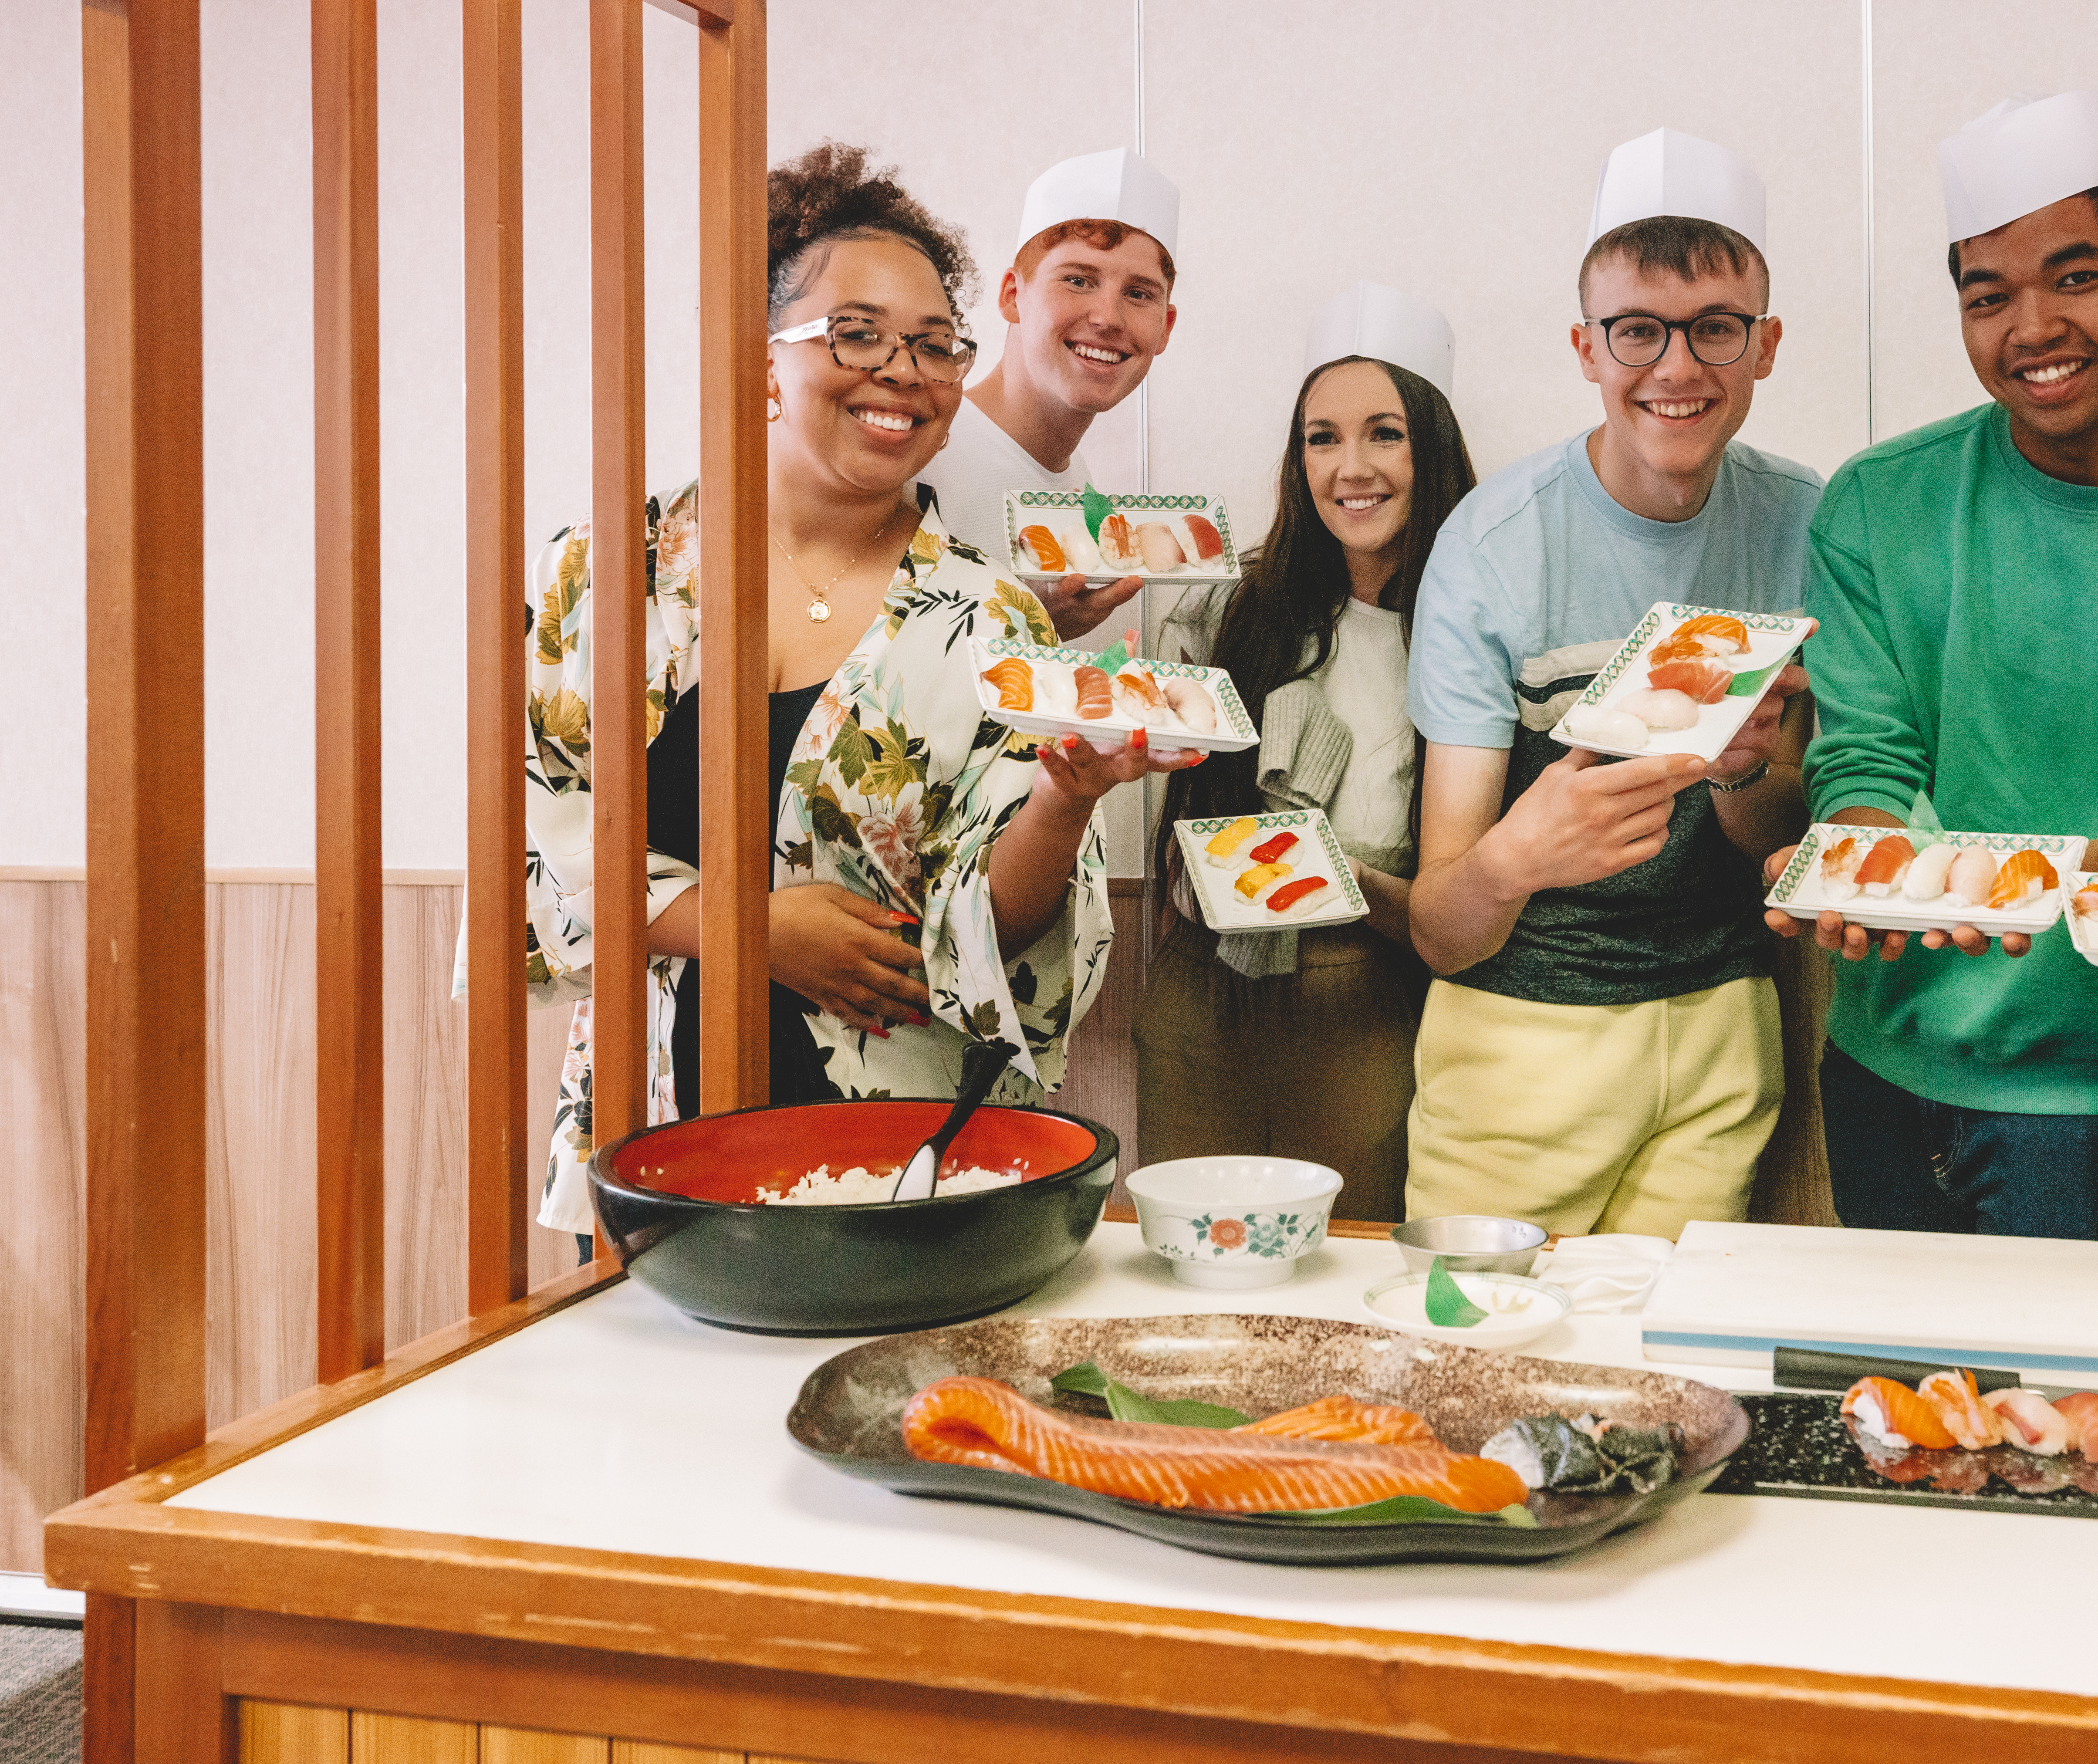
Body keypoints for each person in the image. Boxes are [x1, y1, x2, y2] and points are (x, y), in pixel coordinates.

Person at [519, 143, 1190, 1235]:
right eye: (857, 334)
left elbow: (1003, 926)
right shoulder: (604, 578)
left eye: (934, 345)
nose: (904, 371)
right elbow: (533, 845)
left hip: (906, 1159)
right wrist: (747, 929)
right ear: (760, 362)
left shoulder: (989, 618)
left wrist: (1068, 800)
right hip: (654, 1138)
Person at [1780, 90, 2098, 1240]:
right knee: (1901, 1420)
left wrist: (2032, 884)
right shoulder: (1876, 505)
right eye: (1986, 297)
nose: (2031, 327)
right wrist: (1863, 853)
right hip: (1885, 1072)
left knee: (2076, 1421)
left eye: (2075, 277)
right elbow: (1864, 746)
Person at [1404, 128, 1820, 1239]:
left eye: (1715, 330)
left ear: (1765, 344)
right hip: (1520, 1045)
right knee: (1470, 1370)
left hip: (1725, 1031)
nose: (1677, 370)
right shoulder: (1493, 546)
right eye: (1637, 331)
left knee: (1671, 1396)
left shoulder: (1806, 527)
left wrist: (1740, 777)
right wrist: (1510, 859)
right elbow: (1443, 929)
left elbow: (1780, 835)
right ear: (1586, 347)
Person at [1135, 285, 1480, 1217]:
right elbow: (1172, 829)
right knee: (1188, 1262)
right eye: (1320, 437)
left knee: (1351, 1275)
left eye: (1384, 433)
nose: (1350, 467)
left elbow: (1471, 895)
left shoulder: (1470, 637)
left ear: (1433, 448)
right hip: (1201, 992)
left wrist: (1330, 876)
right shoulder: (1224, 612)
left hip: (1367, 1001)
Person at [933, 147, 1184, 647]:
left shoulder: (1080, 496)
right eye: (1077, 280)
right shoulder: (924, 450)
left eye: (1139, 294)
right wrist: (1027, 626)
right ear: (1012, 295)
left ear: (1165, 328)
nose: (1108, 317)